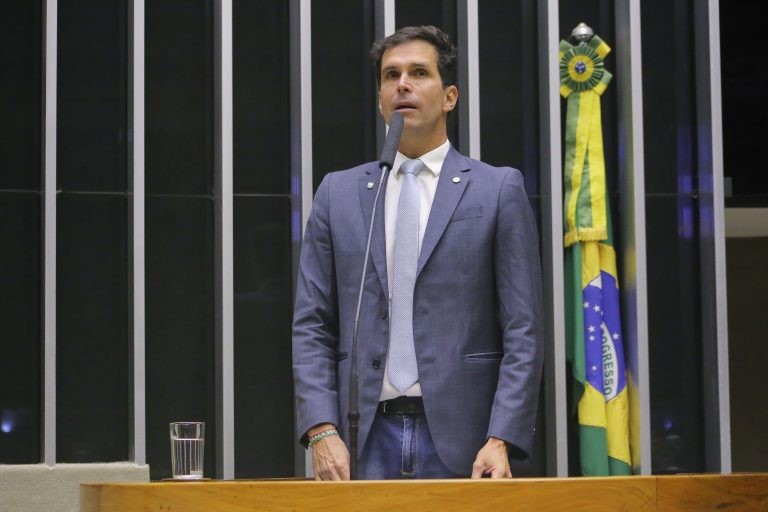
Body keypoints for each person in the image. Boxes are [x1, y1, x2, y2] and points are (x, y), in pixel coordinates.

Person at [292, 25, 543, 480]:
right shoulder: (337, 194)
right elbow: (312, 323)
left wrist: (501, 437)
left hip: (468, 443)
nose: (402, 84)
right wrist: (320, 430)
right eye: (391, 75)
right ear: (380, 100)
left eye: (419, 73)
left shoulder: (497, 188)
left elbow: (523, 328)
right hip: (360, 441)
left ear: (450, 97)